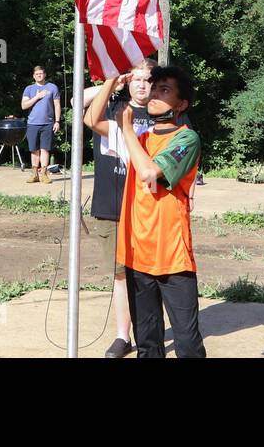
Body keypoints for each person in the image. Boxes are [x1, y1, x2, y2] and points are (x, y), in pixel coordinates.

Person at [116, 64, 205, 358]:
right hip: (138, 252)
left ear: (181, 105)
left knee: (188, 344)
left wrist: (126, 128)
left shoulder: (186, 138)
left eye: (164, 90)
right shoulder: (141, 139)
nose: (153, 94)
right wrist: (109, 82)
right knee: (147, 342)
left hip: (172, 256)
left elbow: (150, 173)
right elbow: (91, 119)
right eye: (154, 88)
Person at [83, 59, 154, 358]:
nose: (141, 84)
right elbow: (79, 101)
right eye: (135, 79)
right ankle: (123, 335)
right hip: (110, 205)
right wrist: (114, 81)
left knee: (149, 274)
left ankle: (149, 334)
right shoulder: (112, 106)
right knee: (121, 274)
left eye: (147, 79)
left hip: (147, 208)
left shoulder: (161, 114)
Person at [20, 65, 60, 184]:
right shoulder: (29, 89)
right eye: (37, 74)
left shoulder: (52, 87)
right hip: (32, 123)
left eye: (41, 74)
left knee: (45, 149)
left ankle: (44, 174)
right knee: (34, 149)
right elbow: (24, 106)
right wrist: (37, 97)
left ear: (45, 74)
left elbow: (57, 105)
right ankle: (34, 174)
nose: (39, 76)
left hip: (47, 123)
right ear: (33, 76)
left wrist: (57, 121)